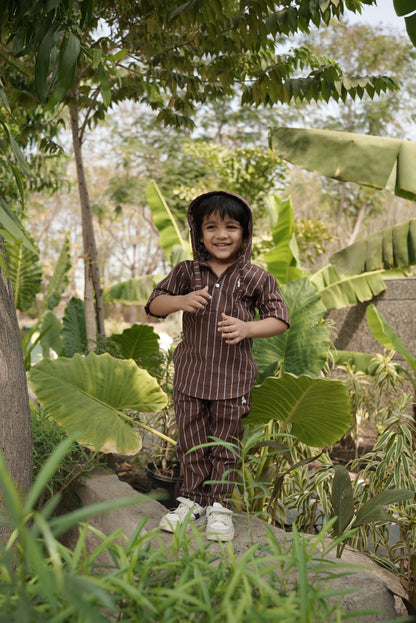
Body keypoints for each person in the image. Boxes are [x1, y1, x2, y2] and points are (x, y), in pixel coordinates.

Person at [145, 191, 289, 541]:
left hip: (233, 381)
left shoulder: (255, 277)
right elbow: (154, 304)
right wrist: (180, 300)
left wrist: (248, 328)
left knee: (226, 444)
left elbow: (279, 319)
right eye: (211, 226)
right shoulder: (187, 272)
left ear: (245, 233)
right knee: (190, 441)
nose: (221, 234)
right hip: (191, 377)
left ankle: (220, 507)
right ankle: (192, 502)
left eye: (231, 226)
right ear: (198, 233)